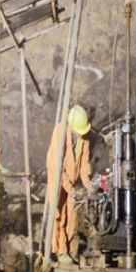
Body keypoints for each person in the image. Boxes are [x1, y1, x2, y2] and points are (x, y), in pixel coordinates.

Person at [46, 104, 93, 261]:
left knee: (72, 215)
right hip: (57, 179)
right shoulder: (60, 132)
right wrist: (68, 186)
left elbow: (85, 163)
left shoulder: (84, 137)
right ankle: (59, 251)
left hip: (71, 181)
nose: (80, 135)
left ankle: (71, 251)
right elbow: (56, 165)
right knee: (59, 214)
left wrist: (88, 184)